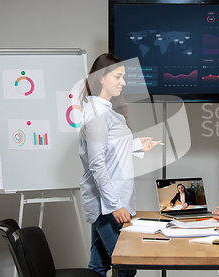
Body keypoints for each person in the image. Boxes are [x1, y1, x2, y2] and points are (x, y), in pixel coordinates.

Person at [78, 53, 160, 276]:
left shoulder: (106, 111)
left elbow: (108, 150)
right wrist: (115, 206)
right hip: (108, 205)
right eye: (118, 77)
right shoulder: (96, 114)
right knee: (126, 267)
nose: (123, 82)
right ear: (101, 78)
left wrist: (134, 145)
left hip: (110, 202)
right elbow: (97, 164)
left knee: (99, 265)